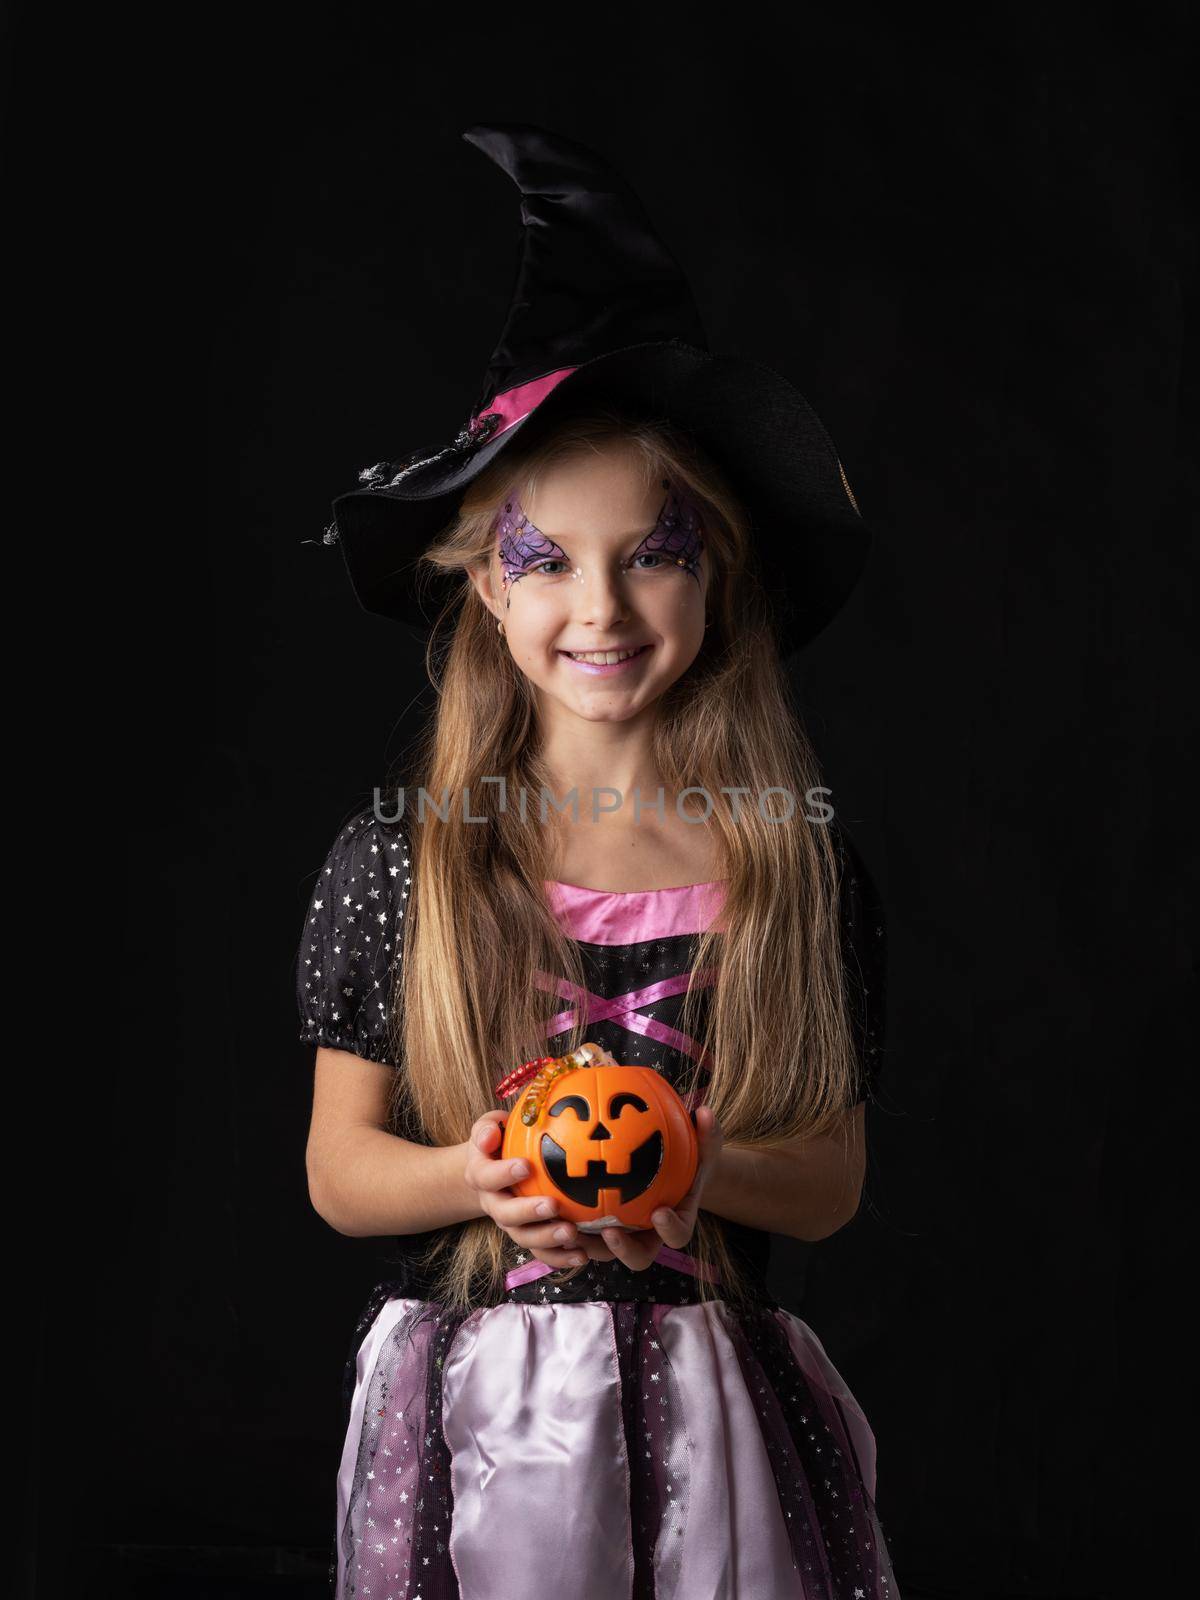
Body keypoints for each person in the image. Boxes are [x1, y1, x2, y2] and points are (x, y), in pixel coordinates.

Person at [296, 123, 899, 1599]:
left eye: (657, 551)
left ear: (720, 572)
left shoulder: (785, 865)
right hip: (481, 1414)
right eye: (545, 558)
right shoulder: (413, 857)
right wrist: (476, 1174)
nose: (603, 607)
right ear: (478, 589)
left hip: (719, 1409)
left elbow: (826, 1182)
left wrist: (699, 1164)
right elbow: (338, 1168)